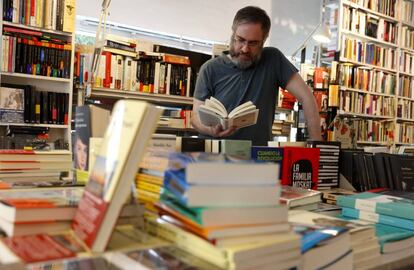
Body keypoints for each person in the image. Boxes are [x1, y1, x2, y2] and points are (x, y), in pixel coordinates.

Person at [191, 6, 322, 145]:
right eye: (240, 39)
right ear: (233, 34)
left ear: (264, 40)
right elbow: (195, 118)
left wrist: (317, 146)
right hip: (215, 155)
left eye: (253, 43)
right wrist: (211, 130)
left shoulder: (273, 59)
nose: (245, 49)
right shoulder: (210, 69)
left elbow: (307, 97)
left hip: (258, 156)